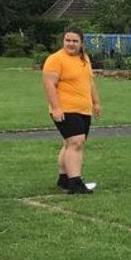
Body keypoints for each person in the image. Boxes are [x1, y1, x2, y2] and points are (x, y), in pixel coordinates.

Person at [43, 28, 102, 194]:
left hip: (83, 109)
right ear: (63, 41)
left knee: (70, 143)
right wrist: (56, 108)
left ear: (81, 43)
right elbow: (49, 84)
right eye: (68, 40)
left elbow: (89, 82)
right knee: (76, 142)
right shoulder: (55, 59)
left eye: (75, 41)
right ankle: (75, 182)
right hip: (65, 109)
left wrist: (96, 102)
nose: (71, 44)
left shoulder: (84, 59)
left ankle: (63, 178)